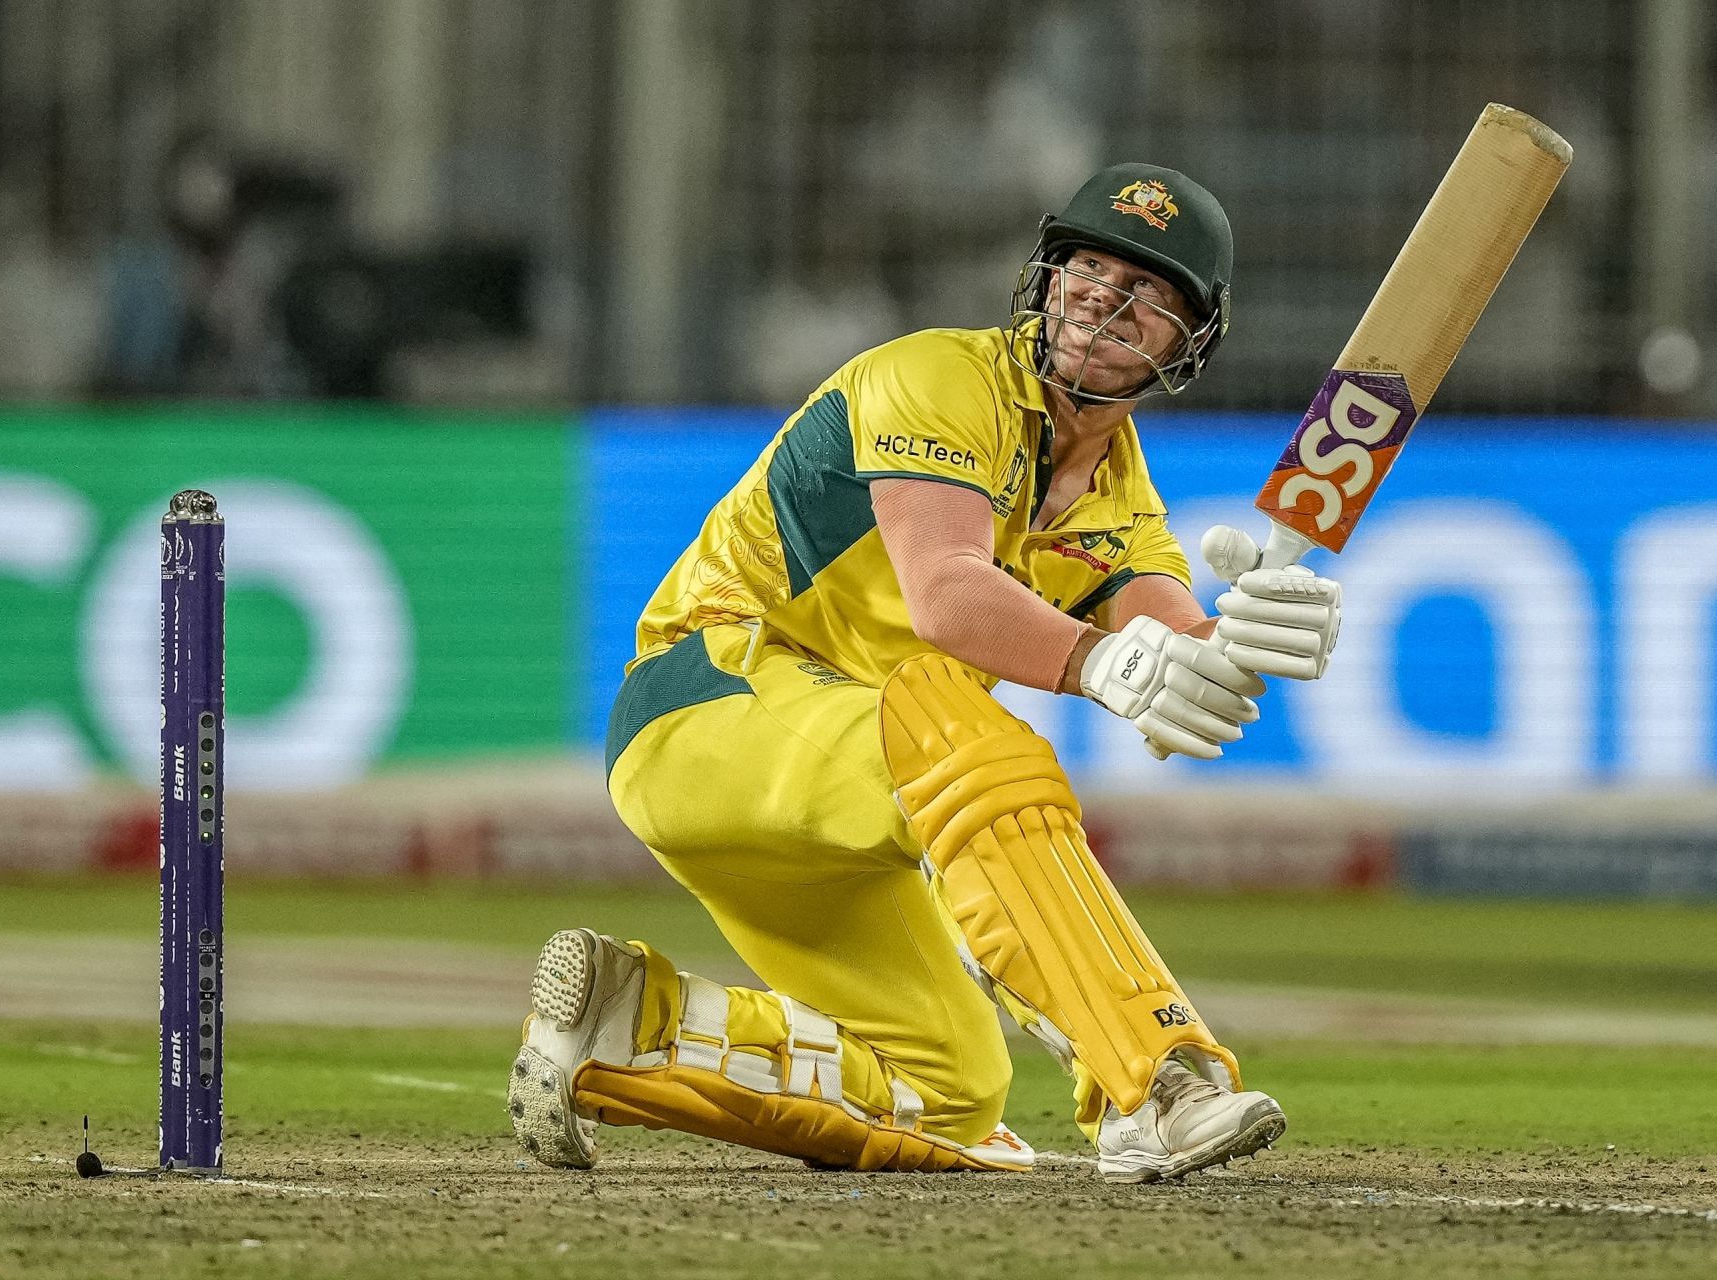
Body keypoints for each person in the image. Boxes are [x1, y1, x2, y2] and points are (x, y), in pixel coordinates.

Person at [510, 163, 1343, 1182]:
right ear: (1045, 279)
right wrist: (1100, 660)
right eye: (1088, 269)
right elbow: (947, 595)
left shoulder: (1121, 499)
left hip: (844, 803)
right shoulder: (939, 378)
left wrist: (1247, 634)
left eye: (1149, 295)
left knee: (949, 1090)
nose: (1104, 305)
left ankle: (630, 1025)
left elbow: (1170, 641)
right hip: (706, 705)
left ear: (1188, 344)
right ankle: (1159, 1079)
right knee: (954, 714)